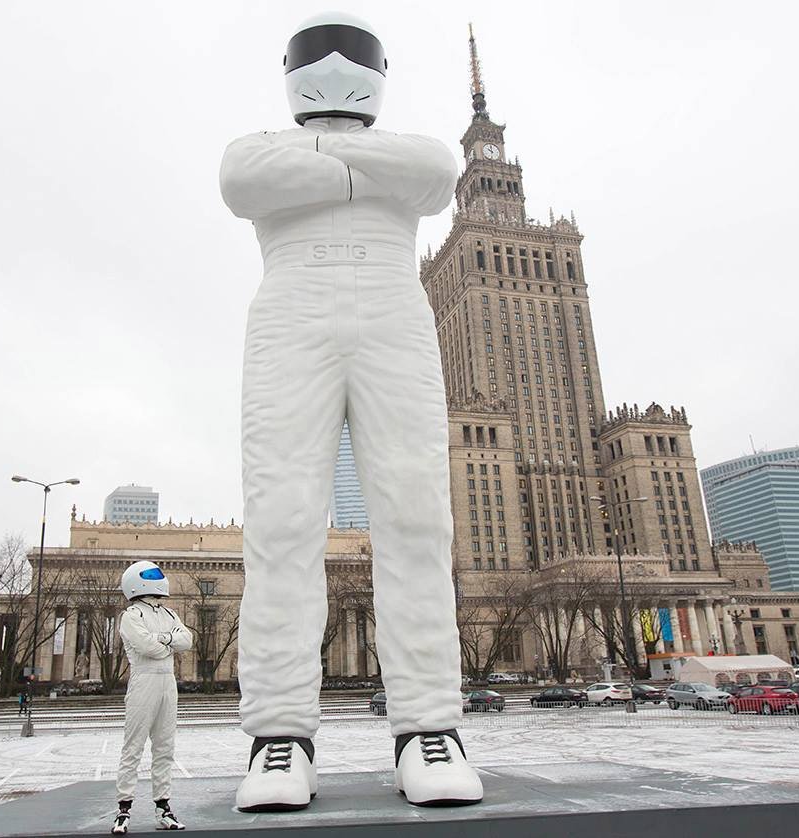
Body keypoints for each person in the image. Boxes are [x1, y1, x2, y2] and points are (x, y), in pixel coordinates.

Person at [218, 11, 483, 812]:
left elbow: (437, 174)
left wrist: (321, 163)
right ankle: (279, 737)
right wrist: (364, 170)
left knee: (415, 517)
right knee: (282, 519)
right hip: (290, 317)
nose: (335, 69)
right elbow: (242, 185)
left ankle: (428, 727)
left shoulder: (414, 150)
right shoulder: (255, 148)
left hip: (394, 319)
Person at [112, 560, 192, 834]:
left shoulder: (169, 614)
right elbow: (147, 647)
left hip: (168, 682)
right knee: (133, 746)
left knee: (165, 747)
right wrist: (169, 643)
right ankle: (124, 809)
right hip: (144, 679)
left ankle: (163, 807)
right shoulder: (131, 615)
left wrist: (163, 641)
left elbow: (187, 640)